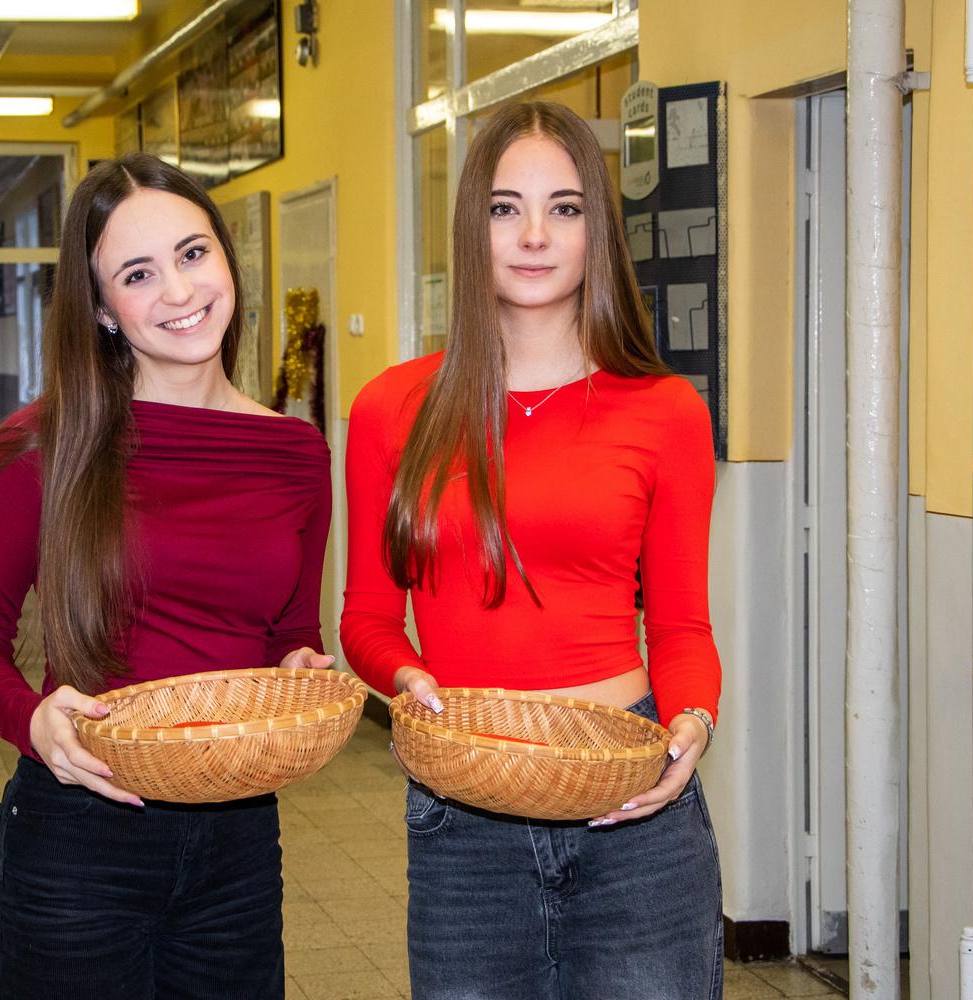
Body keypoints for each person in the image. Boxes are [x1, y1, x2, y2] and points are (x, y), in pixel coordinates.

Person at [341, 101, 724, 999]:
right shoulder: (392, 410)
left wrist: (693, 723)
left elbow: (681, 626)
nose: (535, 236)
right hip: (465, 810)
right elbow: (365, 618)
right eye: (505, 208)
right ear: (471, 227)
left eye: (565, 207)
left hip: (629, 803)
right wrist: (405, 677)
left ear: (599, 229)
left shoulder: (665, 412)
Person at [0, 152, 333, 1000]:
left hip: (236, 840)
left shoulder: (296, 453)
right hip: (79, 833)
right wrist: (32, 721)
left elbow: (288, 631)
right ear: (102, 309)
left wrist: (298, 668)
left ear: (226, 256)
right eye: (138, 274)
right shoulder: (44, 446)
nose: (180, 291)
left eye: (193, 254)